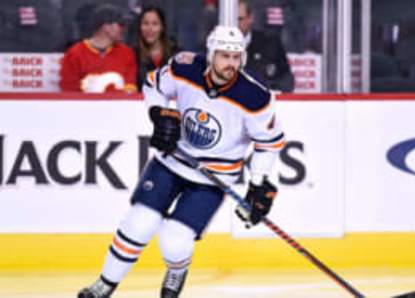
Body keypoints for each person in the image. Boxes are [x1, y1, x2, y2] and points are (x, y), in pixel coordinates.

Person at [77, 25, 285, 298]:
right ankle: (105, 283)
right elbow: (153, 85)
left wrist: (258, 184)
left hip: (213, 177)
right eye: (224, 56)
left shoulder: (255, 96)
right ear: (211, 55)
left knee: (175, 240)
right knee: (139, 223)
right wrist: (159, 113)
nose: (231, 64)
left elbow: (268, 143)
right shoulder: (185, 67)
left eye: (236, 58)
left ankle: (176, 271)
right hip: (172, 161)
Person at [60, 4, 138, 93]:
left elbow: (130, 88)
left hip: (118, 106)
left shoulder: (126, 53)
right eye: (121, 24)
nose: (124, 29)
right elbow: (69, 91)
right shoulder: (75, 54)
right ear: (106, 27)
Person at [238, 0, 295, 92]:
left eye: (239, 19)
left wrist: (276, 93)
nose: (235, 24)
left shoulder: (270, 44)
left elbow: (286, 77)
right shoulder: (216, 46)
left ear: (250, 18)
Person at [133, 5, 176, 90]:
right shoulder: (133, 54)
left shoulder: (175, 54)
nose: (149, 29)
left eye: (155, 24)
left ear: (162, 27)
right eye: (145, 23)